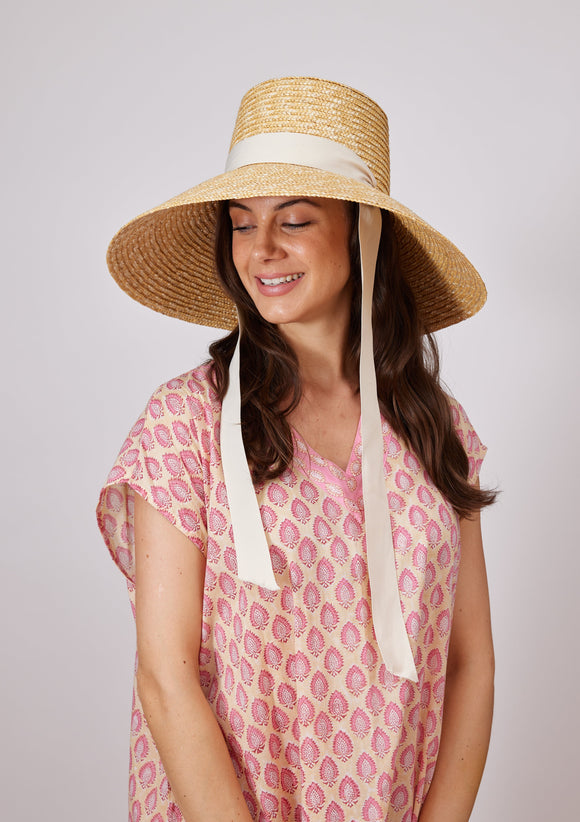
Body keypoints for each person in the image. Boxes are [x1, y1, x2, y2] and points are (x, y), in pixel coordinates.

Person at [97, 76, 496, 822]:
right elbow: (166, 674)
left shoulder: (437, 427)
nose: (263, 249)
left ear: (361, 232)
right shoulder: (186, 422)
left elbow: (470, 662)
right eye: (242, 224)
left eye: (296, 219)